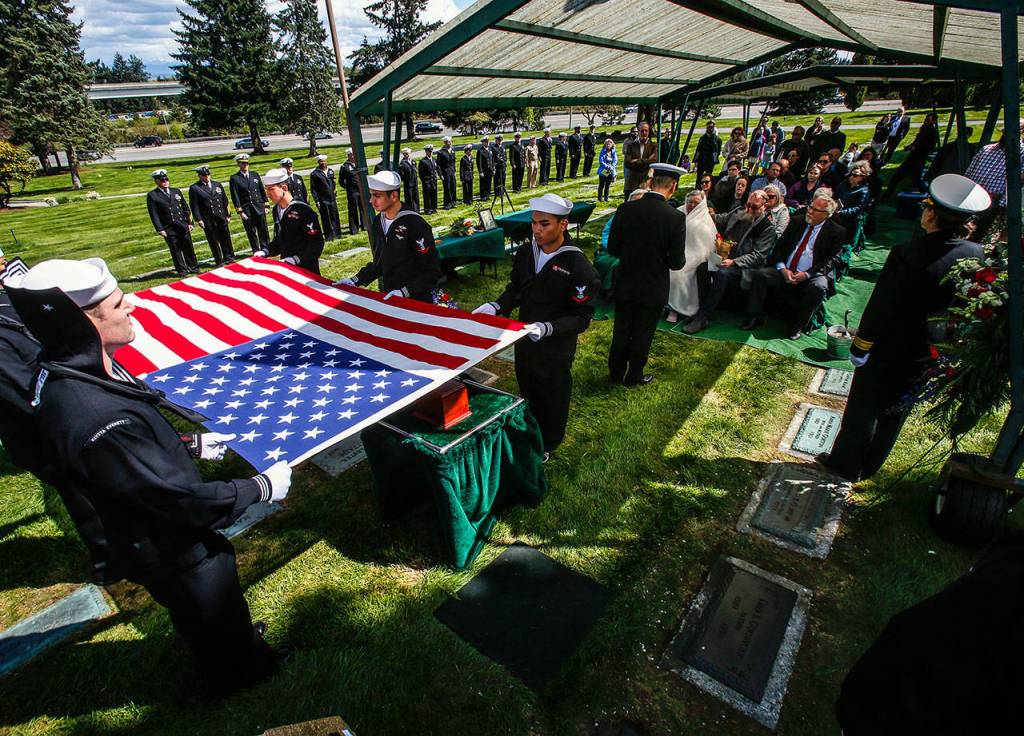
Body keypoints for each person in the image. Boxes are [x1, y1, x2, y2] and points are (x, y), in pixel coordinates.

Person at [5, 257, 292, 693]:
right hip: (168, 544)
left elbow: (127, 456)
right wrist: (258, 487)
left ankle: (233, 645)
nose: (132, 307)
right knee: (207, 599)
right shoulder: (93, 412)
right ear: (85, 322)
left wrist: (188, 445)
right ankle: (244, 675)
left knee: (208, 613)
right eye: (118, 305)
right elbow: (174, 499)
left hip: (148, 534)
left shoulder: (72, 374)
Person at [819, 175, 990, 481]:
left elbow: (881, 306)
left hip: (890, 347)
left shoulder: (907, 254)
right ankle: (870, 465)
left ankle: (845, 464)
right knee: (896, 410)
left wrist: (861, 346)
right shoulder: (975, 254)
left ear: (931, 214)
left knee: (864, 409)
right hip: (931, 349)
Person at [470, 193, 600, 459]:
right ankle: (530, 430)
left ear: (563, 225)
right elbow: (517, 288)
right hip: (525, 337)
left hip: (555, 347)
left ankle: (549, 443)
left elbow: (582, 317)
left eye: (544, 224)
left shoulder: (578, 265)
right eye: (533, 223)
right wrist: (497, 306)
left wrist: (548, 328)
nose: (537, 230)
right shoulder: (526, 252)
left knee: (552, 394)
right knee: (527, 385)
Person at [607, 163, 686, 386]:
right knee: (643, 332)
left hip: (626, 281)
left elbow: (613, 248)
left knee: (622, 329)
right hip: (653, 286)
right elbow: (677, 262)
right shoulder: (675, 218)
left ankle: (615, 374)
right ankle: (634, 376)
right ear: (673, 187)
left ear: (650, 183)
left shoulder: (625, 209)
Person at [742, 193, 848, 339]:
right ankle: (753, 316)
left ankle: (798, 325)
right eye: (810, 206)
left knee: (819, 287)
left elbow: (832, 260)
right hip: (785, 270)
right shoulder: (797, 221)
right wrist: (782, 268)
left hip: (812, 274)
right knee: (761, 275)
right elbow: (779, 248)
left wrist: (807, 274)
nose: (809, 211)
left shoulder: (837, 232)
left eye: (815, 210)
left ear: (827, 215)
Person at [336, 170, 441, 303]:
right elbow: (380, 262)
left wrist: (404, 292)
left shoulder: (415, 224)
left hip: (417, 298)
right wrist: (355, 280)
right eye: (371, 195)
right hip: (391, 295)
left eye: (377, 196)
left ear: (394, 196)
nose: (371, 200)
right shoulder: (378, 222)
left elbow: (432, 270)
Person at [683, 190, 776, 334]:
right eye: (748, 205)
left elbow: (759, 256)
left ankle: (702, 317)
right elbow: (719, 218)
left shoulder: (767, 228)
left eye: (755, 207)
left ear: (765, 206)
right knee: (702, 268)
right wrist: (699, 210)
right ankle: (702, 309)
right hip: (722, 257)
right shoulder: (738, 212)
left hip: (743, 266)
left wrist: (734, 261)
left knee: (722, 273)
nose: (749, 210)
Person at [259, 168, 325, 275]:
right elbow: (280, 238)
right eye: (266, 190)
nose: (267, 194)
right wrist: (265, 251)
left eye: (271, 189)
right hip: (287, 266)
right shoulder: (277, 209)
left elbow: (316, 244)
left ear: (284, 188)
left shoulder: (303, 210)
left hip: (306, 268)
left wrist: (296, 259)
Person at [667, 189, 716, 323]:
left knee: (678, 273)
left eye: (696, 203)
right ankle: (664, 304)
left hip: (697, 255)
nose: (692, 205)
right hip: (675, 251)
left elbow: (706, 246)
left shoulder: (705, 219)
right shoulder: (678, 211)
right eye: (690, 202)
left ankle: (675, 309)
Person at [147, 169, 199, 277]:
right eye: (162, 180)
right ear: (156, 181)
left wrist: (190, 222)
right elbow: (154, 214)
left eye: (166, 179)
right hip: (169, 227)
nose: (165, 181)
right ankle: (182, 270)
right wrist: (160, 229)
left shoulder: (176, 191)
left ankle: (193, 267)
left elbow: (185, 208)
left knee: (188, 247)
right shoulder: (153, 195)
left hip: (182, 225)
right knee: (176, 250)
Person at [882, 112, 939, 200]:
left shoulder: (932, 132)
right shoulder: (923, 129)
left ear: (933, 121)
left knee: (917, 181)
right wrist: (910, 146)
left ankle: (930, 196)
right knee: (897, 177)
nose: (925, 121)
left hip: (919, 159)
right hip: (912, 158)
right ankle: (887, 195)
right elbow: (917, 141)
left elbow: (928, 147)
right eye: (925, 119)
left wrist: (915, 148)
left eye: (928, 120)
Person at [188, 165, 235, 266]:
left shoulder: (217, 184)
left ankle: (229, 257)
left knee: (225, 238)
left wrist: (228, 215)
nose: (207, 177)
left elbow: (224, 201)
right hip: (208, 219)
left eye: (208, 174)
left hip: (221, 216)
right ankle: (219, 260)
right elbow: (194, 205)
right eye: (204, 175)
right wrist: (198, 219)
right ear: (199, 176)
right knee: (213, 241)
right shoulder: (195, 188)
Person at [229, 153, 270, 254]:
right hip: (247, 209)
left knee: (263, 229)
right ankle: (256, 250)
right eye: (243, 163)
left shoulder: (254, 174)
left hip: (259, 206)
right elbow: (235, 196)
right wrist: (240, 211)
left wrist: (266, 204)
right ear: (238, 164)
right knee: (251, 231)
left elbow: (261, 190)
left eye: (246, 163)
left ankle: (266, 248)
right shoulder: (235, 178)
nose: (245, 165)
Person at [834, 161, 873, 234]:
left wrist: (841, 212)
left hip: (849, 223)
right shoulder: (843, 184)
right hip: (835, 217)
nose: (851, 176)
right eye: (851, 174)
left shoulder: (864, 190)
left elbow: (858, 208)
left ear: (862, 177)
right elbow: (834, 196)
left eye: (855, 175)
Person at [310, 153, 342, 241]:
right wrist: (317, 201)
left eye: (324, 161)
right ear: (318, 163)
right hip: (323, 199)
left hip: (332, 198)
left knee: (335, 216)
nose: (323, 163)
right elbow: (313, 189)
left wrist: (335, 192)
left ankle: (338, 234)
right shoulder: (315, 174)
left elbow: (334, 182)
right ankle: (329, 236)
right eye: (321, 162)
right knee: (326, 218)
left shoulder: (330, 171)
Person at [624, 122, 657, 199]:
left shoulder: (654, 146)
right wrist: (646, 160)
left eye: (646, 130)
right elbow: (627, 163)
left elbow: (653, 160)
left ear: (649, 132)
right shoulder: (631, 146)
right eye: (642, 130)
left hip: (646, 181)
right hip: (632, 182)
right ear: (638, 131)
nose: (644, 133)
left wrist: (636, 160)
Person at [338, 149, 364, 235]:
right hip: (352, 191)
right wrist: (348, 187)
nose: (353, 156)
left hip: (361, 190)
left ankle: (365, 225)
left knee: (363, 208)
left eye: (354, 155)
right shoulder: (344, 166)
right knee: (353, 209)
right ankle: (354, 228)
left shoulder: (359, 163)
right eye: (351, 155)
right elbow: (341, 181)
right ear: (348, 156)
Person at [418, 144, 439, 215]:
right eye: (429, 151)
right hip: (427, 181)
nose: (430, 153)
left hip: (433, 180)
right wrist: (425, 181)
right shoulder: (423, 161)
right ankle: (427, 209)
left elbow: (436, 169)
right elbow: (421, 173)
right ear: (426, 152)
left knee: (434, 194)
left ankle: (434, 208)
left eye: (431, 151)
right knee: (427, 195)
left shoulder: (434, 159)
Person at [437, 137, 457, 209]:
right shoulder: (441, 152)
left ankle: (453, 202)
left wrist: (454, 171)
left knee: (453, 187)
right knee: (447, 188)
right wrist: (441, 174)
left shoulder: (452, 150)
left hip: (452, 171)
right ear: (445, 143)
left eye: (451, 141)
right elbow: (438, 165)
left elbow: (453, 162)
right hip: (445, 172)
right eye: (448, 142)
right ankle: (447, 203)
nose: (450, 143)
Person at [398, 147, 420, 212]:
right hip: (408, 184)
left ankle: (417, 210)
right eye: (405, 154)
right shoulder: (402, 164)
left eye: (407, 154)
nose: (406, 155)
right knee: (409, 198)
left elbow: (415, 170)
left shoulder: (413, 161)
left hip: (414, 182)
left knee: (416, 196)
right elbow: (402, 175)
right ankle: (411, 210)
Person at [597, 138, 618, 202]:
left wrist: (612, 166)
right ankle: (600, 198)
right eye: (607, 144)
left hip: (610, 169)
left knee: (607, 185)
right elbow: (601, 161)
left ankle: (606, 198)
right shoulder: (603, 151)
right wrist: (607, 166)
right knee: (601, 185)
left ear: (612, 144)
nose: (608, 145)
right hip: (604, 169)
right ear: (605, 145)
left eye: (609, 144)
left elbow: (615, 160)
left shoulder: (613, 151)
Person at [476, 136, 493, 201]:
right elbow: (479, 162)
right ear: (483, 143)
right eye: (486, 142)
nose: (488, 143)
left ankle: (488, 195)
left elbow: (492, 159)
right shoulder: (480, 151)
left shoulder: (489, 149)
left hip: (489, 169)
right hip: (484, 170)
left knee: (489, 182)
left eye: (488, 141)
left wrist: (493, 168)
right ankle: (483, 196)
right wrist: (480, 171)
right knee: (483, 183)